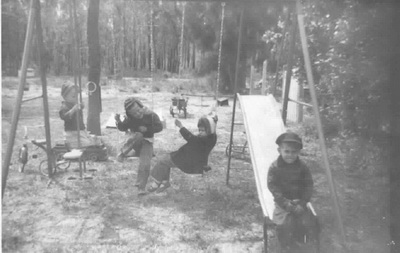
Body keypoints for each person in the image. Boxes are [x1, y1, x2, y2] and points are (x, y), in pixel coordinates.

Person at [267, 132, 314, 252]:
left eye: (294, 152)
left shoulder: (303, 167)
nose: (290, 155)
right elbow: (273, 188)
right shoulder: (275, 167)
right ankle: (285, 245)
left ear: (298, 152)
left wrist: (303, 203)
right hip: (283, 202)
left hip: (299, 201)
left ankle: (299, 242)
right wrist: (286, 203)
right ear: (279, 150)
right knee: (283, 225)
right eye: (286, 151)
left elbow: (308, 185)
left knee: (307, 223)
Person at [147, 113, 217, 194]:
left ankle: (156, 182)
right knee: (165, 161)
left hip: (186, 161)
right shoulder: (211, 138)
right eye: (199, 130)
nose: (200, 132)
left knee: (162, 161)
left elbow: (190, 137)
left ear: (209, 130)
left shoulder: (203, 141)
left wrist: (181, 126)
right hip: (190, 159)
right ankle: (165, 182)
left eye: (203, 130)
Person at [114, 97, 163, 195]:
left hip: (147, 143)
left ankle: (141, 187)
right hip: (135, 143)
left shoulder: (151, 115)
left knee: (145, 164)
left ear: (141, 106)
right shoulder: (130, 119)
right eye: (134, 113)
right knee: (138, 135)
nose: (137, 114)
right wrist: (118, 121)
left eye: (138, 110)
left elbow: (160, 127)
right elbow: (123, 128)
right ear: (130, 114)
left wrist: (148, 129)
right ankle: (123, 153)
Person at [59, 82, 100, 148]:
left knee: (95, 141)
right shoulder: (64, 106)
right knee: (87, 145)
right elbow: (64, 117)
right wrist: (73, 110)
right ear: (65, 96)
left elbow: (79, 111)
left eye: (76, 95)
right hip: (72, 133)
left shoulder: (74, 104)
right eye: (73, 96)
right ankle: (72, 145)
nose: (76, 98)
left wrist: (81, 106)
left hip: (81, 130)